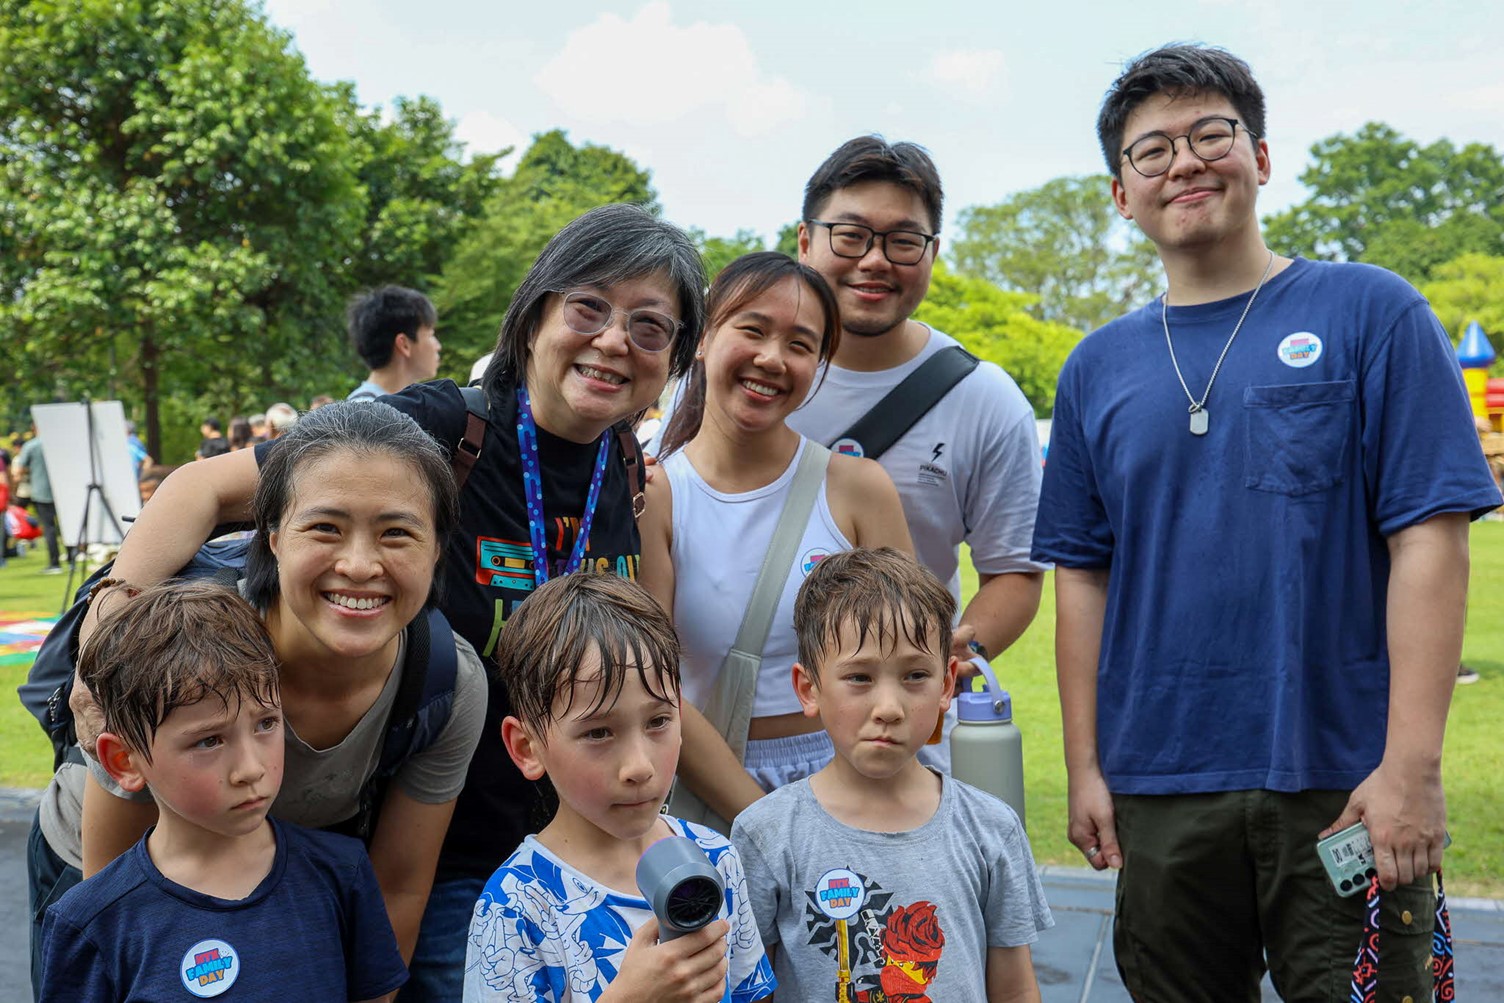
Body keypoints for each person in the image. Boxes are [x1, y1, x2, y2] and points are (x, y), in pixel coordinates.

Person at [77, 203, 707, 1000]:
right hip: (442, 857)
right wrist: (111, 622)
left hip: (576, 850)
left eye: (651, 326)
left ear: (676, 355)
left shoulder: (625, 463)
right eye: (588, 307)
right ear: (536, 313)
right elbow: (205, 485)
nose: (615, 339)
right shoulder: (441, 424)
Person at [1031, 44, 1503, 1002]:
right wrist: (1085, 765)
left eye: (1212, 134)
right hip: (1160, 782)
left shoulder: (1371, 311)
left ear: (1262, 156)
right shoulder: (1096, 368)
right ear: (1121, 194)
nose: (1185, 163)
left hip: (1342, 779)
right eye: (1150, 150)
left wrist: (1410, 766)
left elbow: (1431, 537)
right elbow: (1082, 576)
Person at [39, 401, 486, 996]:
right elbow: (119, 914)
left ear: (436, 549)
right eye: (324, 528)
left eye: (397, 533)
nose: (358, 565)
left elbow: (398, 888)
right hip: (109, 863)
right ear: (272, 538)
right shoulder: (182, 653)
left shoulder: (447, 682)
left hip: (276, 875)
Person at [789, 137, 1046, 770]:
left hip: (903, 742)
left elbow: (1014, 573)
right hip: (740, 731)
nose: (874, 261)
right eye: (849, 235)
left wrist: (931, 658)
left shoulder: (983, 398)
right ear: (804, 241)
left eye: (904, 241)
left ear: (933, 252)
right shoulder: (741, 375)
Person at [38, 580, 408, 1002]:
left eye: (266, 723)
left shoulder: (342, 873)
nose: (250, 769)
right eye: (209, 740)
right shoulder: (91, 920)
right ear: (125, 761)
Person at [641, 252, 912, 818]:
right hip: (709, 789)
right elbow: (654, 682)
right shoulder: (656, 495)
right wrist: (764, 822)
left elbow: (907, 658)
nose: (771, 358)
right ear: (701, 338)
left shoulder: (859, 489)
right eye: (753, 329)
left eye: (800, 343)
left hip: (852, 783)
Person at [733, 548, 1051, 1002]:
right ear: (809, 689)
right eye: (860, 678)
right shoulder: (766, 835)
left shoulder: (990, 829)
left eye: (915, 675)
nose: (888, 708)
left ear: (946, 687)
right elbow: (749, 988)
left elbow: (1016, 988)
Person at [466, 573, 776, 1003]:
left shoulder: (715, 858)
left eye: (658, 722)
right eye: (598, 733)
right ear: (527, 747)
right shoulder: (516, 906)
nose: (639, 766)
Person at [349, 285, 443, 401]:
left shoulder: (361, 407)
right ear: (404, 344)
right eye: (430, 335)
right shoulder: (367, 412)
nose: (438, 346)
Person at [14, 422, 62, 573]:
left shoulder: (31, 445)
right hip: (61, 491)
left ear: (34, 428)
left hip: (41, 491)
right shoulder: (57, 443)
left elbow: (20, 470)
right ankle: (72, 557)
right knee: (66, 527)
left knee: (49, 528)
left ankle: (54, 563)